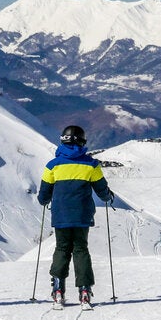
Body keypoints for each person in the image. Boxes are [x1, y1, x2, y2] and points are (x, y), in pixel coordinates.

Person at [37, 125, 114, 306]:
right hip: (82, 215)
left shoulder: (52, 165)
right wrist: (108, 196)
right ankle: (85, 291)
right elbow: (102, 191)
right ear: (81, 141)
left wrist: (45, 199)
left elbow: (43, 196)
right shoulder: (91, 165)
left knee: (62, 249)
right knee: (81, 249)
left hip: (60, 215)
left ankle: (57, 290)